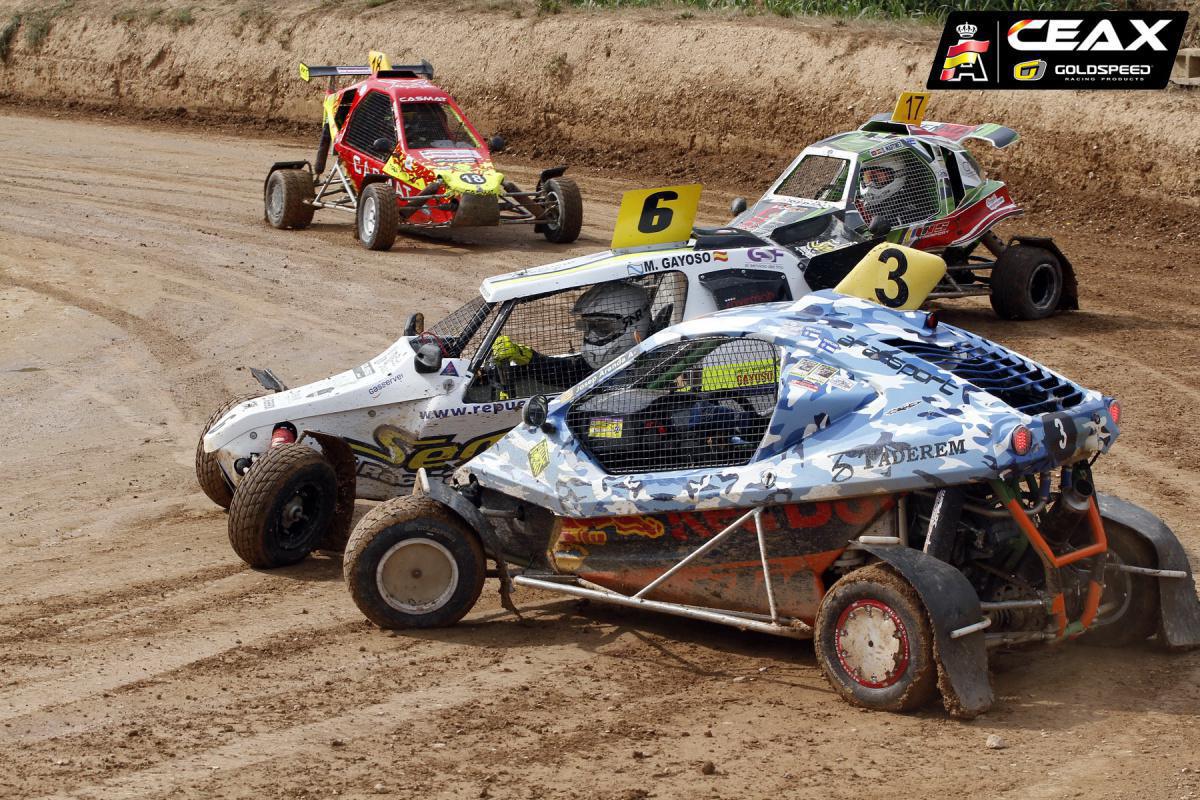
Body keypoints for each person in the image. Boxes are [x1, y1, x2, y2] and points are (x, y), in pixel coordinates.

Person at [490, 282, 652, 395]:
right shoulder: (613, 362)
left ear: (634, 323)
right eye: (588, 326)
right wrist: (529, 358)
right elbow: (571, 373)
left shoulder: (652, 369)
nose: (591, 335)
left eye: (601, 327)